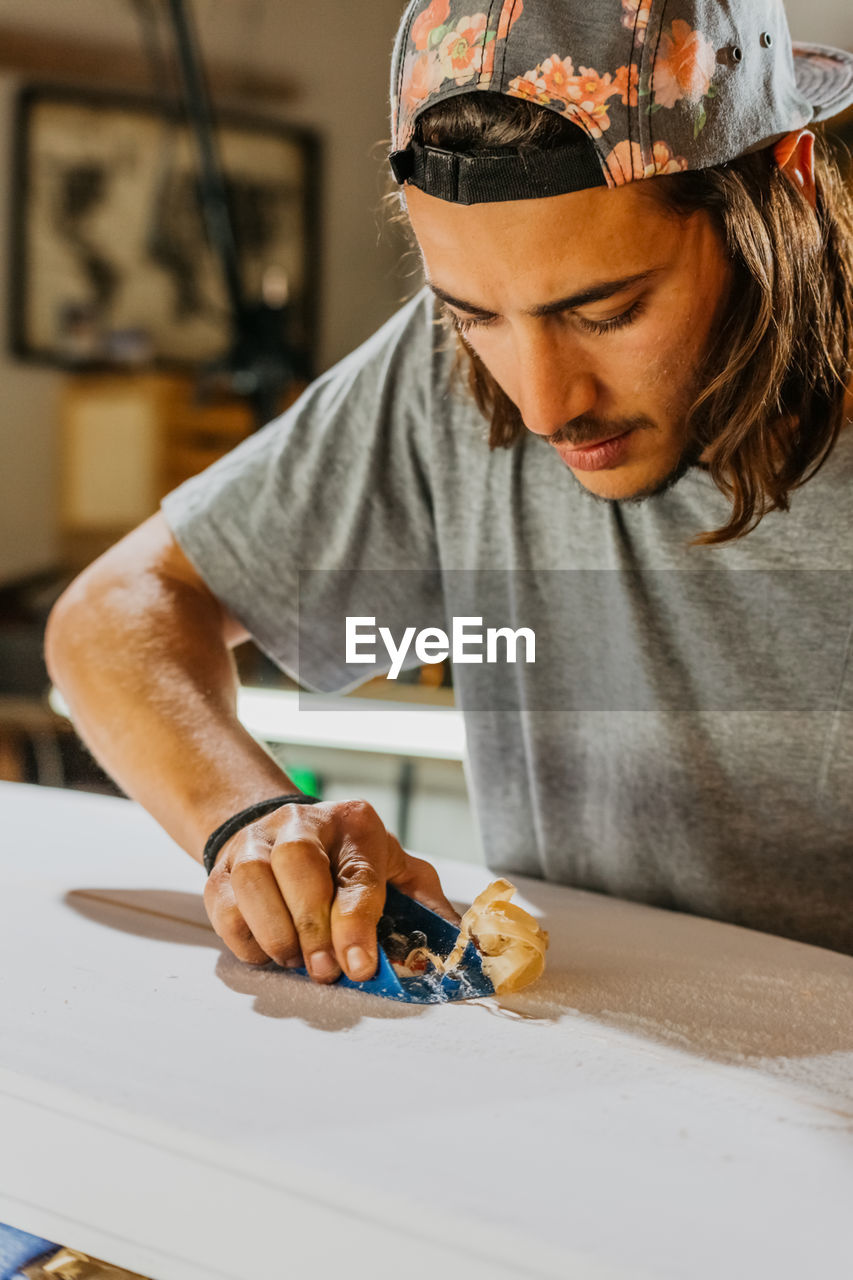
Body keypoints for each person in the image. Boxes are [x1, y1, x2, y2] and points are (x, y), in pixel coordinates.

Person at [47, 0, 853, 975]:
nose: (546, 402)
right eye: (472, 312)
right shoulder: (441, 378)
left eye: (608, 310)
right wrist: (250, 819)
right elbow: (113, 614)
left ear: (790, 187)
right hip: (581, 1077)